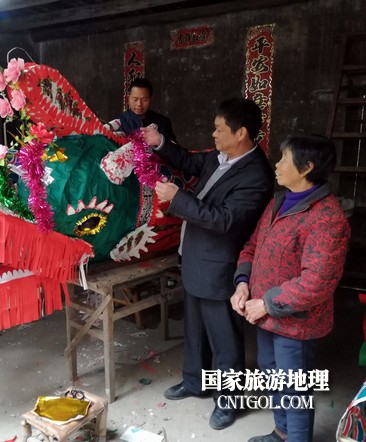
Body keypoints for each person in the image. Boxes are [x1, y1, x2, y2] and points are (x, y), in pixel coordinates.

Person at [147, 97, 274, 430]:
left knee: (224, 338)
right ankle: (195, 381)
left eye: (219, 129)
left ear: (241, 133)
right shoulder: (221, 158)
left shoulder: (256, 175)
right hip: (194, 258)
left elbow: (225, 220)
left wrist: (178, 199)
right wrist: (159, 142)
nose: (213, 134)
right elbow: (188, 160)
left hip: (219, 266)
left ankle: (229, 401)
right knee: (195, 329)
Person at [231, 135, 350, 442]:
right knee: (272, 376)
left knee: (294, 388)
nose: (278, 164)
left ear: (307, 167)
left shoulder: (327, 218)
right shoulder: (278, 202)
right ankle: (282, 432)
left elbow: (318, 281)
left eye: (284, 158)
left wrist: (266, 303)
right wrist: (242, 284)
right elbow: (252, 246)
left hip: (296, 324)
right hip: (265, 316)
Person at [114, 77, 177, 146]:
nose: (139, 104)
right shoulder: (118, 123)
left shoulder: (163, 123)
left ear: (151, 99)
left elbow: (174, 149)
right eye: (135, 99)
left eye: (144, 100)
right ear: (128, 99)